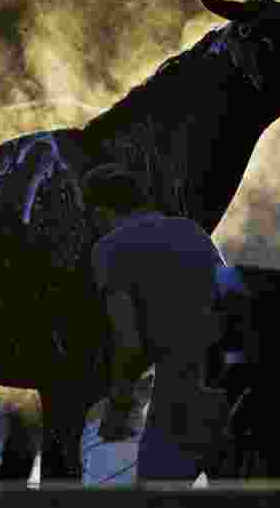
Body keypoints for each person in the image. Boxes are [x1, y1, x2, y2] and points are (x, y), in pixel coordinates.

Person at [81, 163, 228, 482]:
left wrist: (118, 408)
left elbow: (128, 342)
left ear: (97, 212)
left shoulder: (109, 249)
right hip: (226, 399)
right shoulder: (193, 233)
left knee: (156, 505)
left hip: (175, 405)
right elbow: (229, 304)